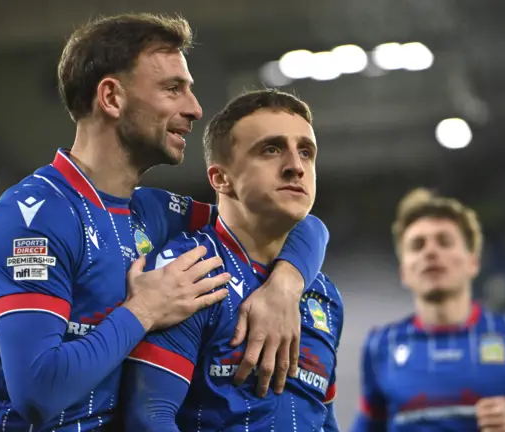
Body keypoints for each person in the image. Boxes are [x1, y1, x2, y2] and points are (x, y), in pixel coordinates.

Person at [0, 14, 331, 432]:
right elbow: (39, 393)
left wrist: (285, 286)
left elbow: (289, 221)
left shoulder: (154, 213)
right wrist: (143, 310)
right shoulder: (33, 216)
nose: (194, 109)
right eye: (173, 89)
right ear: (111, 97)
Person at [122, 89, 343, 431]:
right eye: (271, 149)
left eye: (306, 152)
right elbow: (149, 417)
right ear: (221, 178)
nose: (295, 167)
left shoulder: (324, 294)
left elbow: (324, 418)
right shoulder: (186, 271)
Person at [350, 188, 505, 431]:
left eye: (444, 241)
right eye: (417, 245)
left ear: (473, 262)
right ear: (404, 272)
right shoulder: (381, 346)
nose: (430, 252)